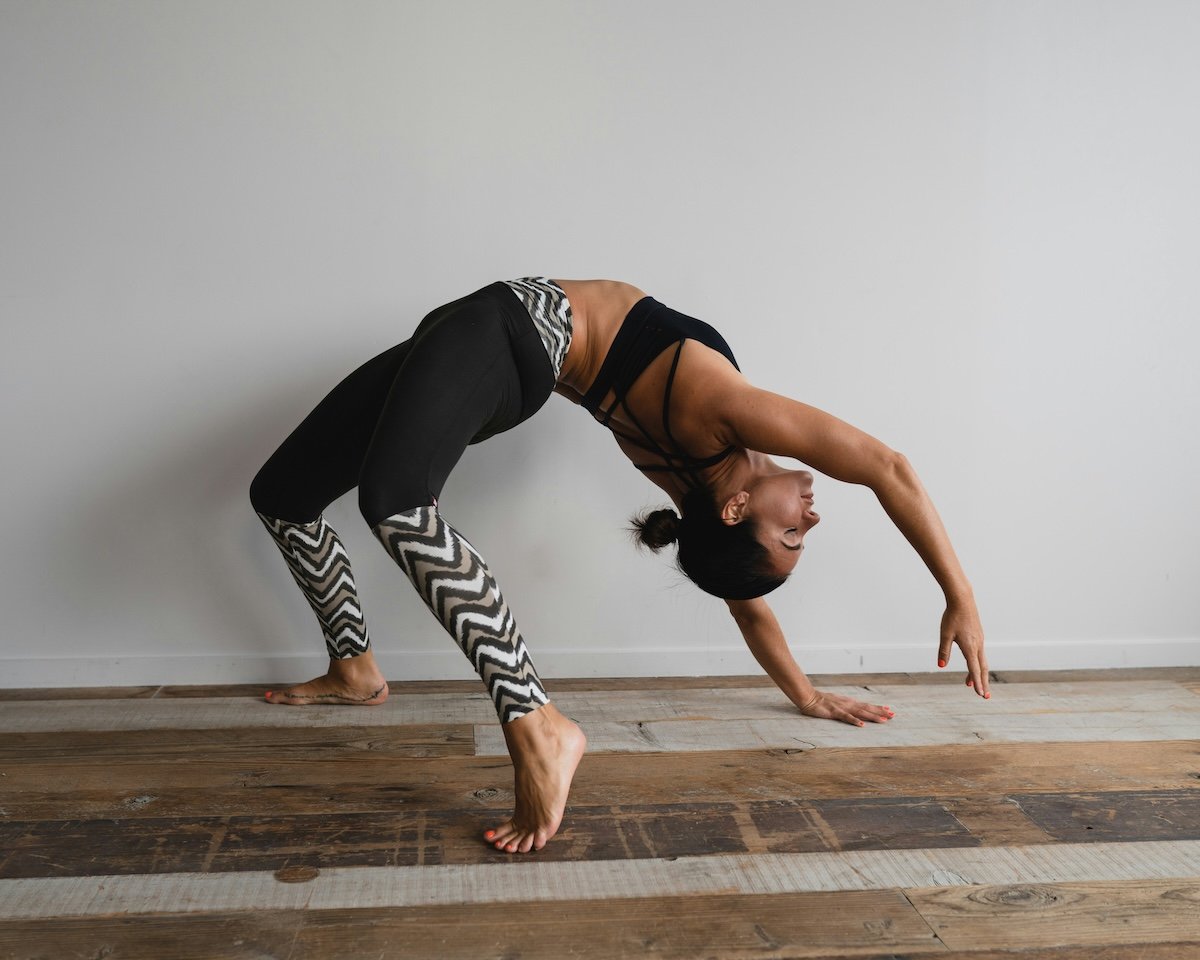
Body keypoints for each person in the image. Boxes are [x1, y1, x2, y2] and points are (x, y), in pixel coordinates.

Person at [248, 277, 989, 855]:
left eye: (793, 537)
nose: (811, 519)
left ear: (737, 513)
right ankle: (355, 669)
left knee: (397, 500)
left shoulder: (722, 427)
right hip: (479, 330)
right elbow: (878, 473)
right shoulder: (706, 471)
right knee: (283, 496)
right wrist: (955, 596)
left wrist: (811, 691)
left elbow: (868, 481)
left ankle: (536, 723)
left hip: (513, 331)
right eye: (802, 537)